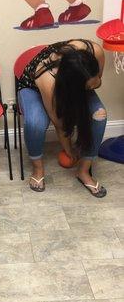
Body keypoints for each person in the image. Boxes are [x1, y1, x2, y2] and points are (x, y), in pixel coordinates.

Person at [17, 39, 107, 197]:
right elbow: (59, 122)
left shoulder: (95, 51)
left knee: (99, 115)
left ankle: (84, 171)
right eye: (89, 87)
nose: (93, 88)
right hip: (33, 88)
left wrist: (94, 83)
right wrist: (69, 149)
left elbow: (97, 80)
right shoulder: (47, 79)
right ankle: (38, 169)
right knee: (36, 123)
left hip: (77, 83)